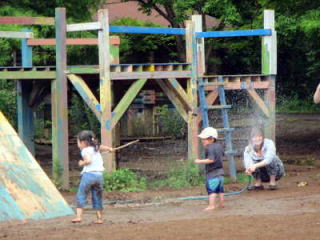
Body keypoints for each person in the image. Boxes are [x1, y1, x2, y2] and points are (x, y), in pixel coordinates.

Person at [72, 130, 113, 224]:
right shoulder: (96, 147)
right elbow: (103, 147)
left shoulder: (85, 150)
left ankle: (78, 217)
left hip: (88, 176)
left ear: (83, 142)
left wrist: (81, 163)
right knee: (97, 196)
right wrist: (110, 149)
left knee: (81, 194)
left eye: (78, 142)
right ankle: (99, 218)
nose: (78, 144)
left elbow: (88, 160)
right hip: (99, 176)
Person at [195, 127, 224, 210]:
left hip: (212, 174)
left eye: (204, 139)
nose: (202, 140)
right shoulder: (219, 146)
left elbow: (211, 160)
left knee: (212, 191)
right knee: (220, 191)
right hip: (221, 173)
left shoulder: (209, 148)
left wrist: (199, 161)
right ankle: (221, 204)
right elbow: (222, 154)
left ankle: (211, 205)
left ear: (211, 139)